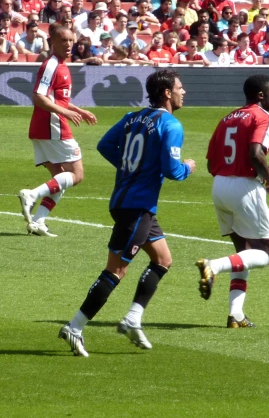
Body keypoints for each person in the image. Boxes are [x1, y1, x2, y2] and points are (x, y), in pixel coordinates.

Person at [58, 69, 196, 357]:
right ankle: (75, 326)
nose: (184, 92)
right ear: (167, 93)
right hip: (137, 206)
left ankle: (133, 317)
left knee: (163, 259)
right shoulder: (171, 125)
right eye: (180, 88)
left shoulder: (132, 117)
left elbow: (104, 145)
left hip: (129, 201)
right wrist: (188, 168)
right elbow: (172, 171)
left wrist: (129, 167)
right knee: (116, 270)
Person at [197, 74, 269, 328]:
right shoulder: (263, 116)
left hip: (220, 185)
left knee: (244, 253)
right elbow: (255, 153)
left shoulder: (227, 118)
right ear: (261, 95)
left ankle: (236, 314)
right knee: (265, 253)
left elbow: (210, 162)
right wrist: (268, 179)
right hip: (244, 188)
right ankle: (213, 265)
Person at [18, 25, 97, 237]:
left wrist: (78, 110)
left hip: (44, 126)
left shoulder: (61, 65)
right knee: (77, 174)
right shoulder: (52, 65)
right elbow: (38, 97)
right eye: (64, 41)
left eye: (71, 41)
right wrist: (66, 113)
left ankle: (38, 221)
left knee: (59, 179)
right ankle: (32, 194)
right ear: (52, 42)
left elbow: (57, 99)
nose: (69, 45)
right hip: (52, 125)